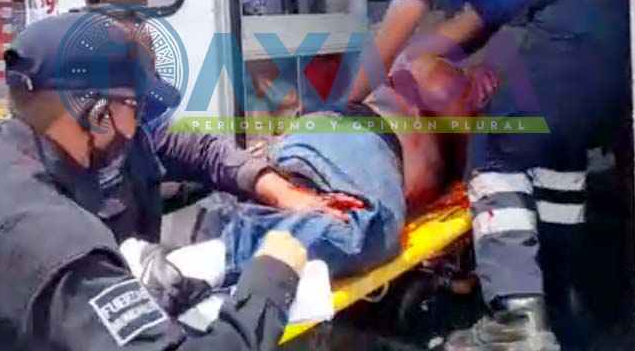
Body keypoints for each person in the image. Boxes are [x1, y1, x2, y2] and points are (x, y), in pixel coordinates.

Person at [0, 11, 316, 350]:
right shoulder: (53, 238)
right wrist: (270, 278)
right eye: (135, 110)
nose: (138, 128)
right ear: (97, 113)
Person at [347, 0, 630, 351]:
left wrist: (348, 103)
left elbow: (390, 39)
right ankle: (559, 301)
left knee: (496, 147)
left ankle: (516, 319)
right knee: (556, 149)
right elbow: (444, 39)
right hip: (634, 16)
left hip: (580, 12)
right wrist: (409, 75)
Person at [164, 55, 498, 281]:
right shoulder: (439, 75)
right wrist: (475, 109)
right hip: (363, 141)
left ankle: (213, 225)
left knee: (315, 210)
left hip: (339, 151)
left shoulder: (452, 144)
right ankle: (219, 251)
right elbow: (458, 126)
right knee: (369, 232)